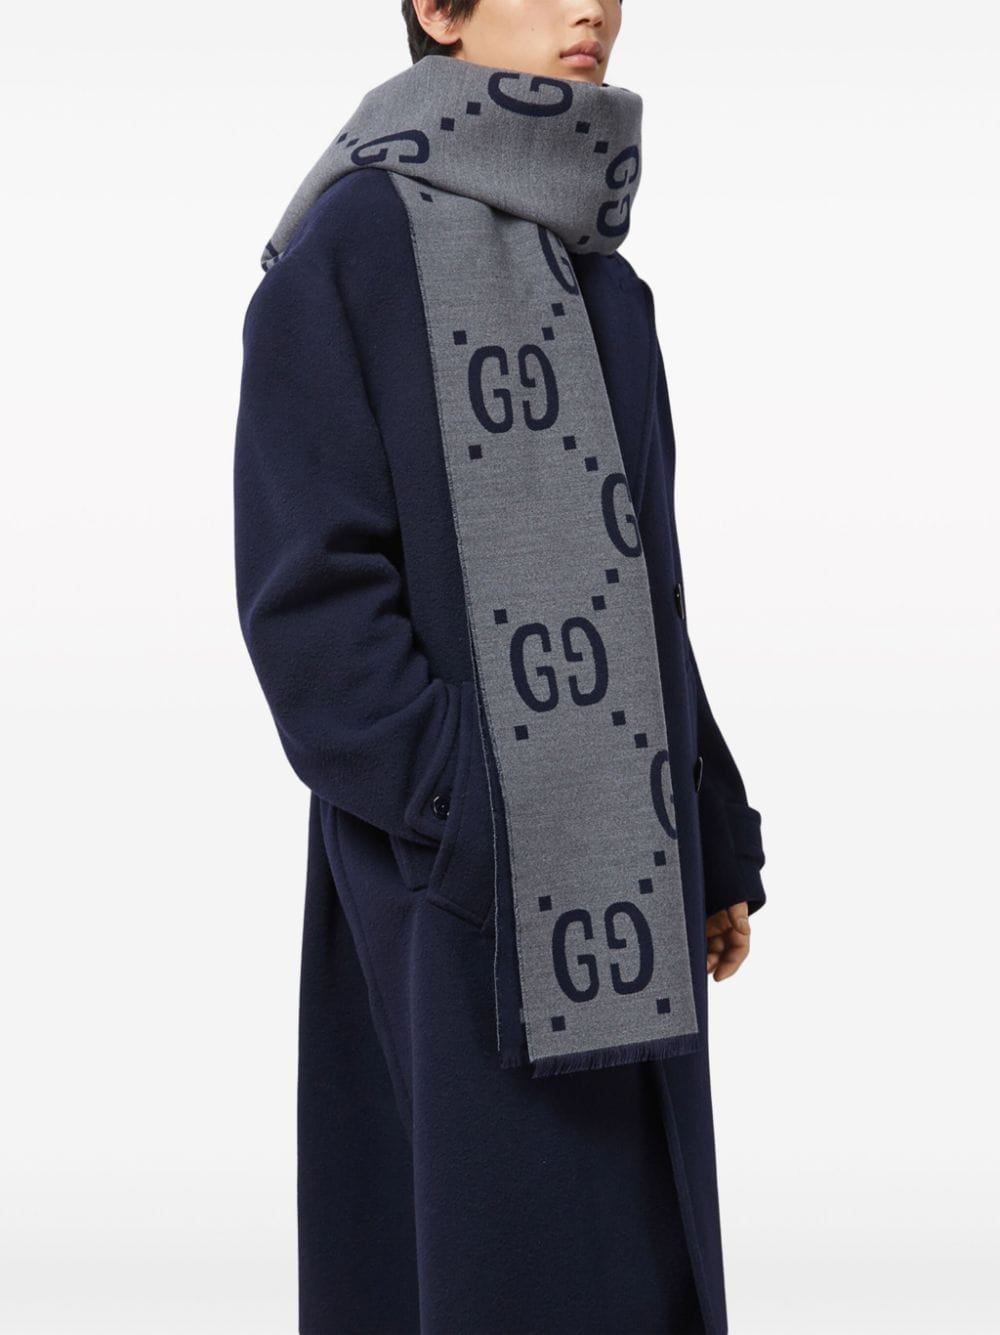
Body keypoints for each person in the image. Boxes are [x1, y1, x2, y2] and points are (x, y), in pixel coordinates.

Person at [233, 2, 767, 1331]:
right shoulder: (353, 248)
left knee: (636, 1284)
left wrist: (706, 823)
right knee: (493, 1282)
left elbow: (645, 591)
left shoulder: (605, 281)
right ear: (437, 8)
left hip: (631, 884)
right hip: (453, 908)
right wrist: (480, 808)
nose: (594, 7)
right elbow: (311, 611)